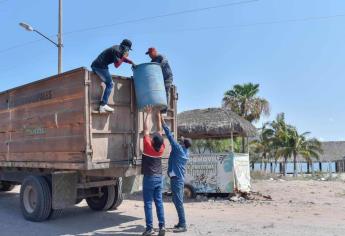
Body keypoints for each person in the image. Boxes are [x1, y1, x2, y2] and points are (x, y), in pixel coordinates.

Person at [161, 115, 192, 233]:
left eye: (182, 141)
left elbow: (170, 136)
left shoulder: (179, 149)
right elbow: (182, 143)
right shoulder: (184, 151)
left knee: (178, 202)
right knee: (176, 200)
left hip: (177, 180)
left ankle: (183, 224)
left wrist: (163, 123)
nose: (180, 140)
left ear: (183, 144)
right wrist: (183, 139)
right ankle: (180, 222)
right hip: (177, 179)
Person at [91, 39, 135, 113]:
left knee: (108, 83)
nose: (128, 51)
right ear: (126, 47)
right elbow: (117, 65)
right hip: (100, 66)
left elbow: (121, 59)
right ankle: (103, 105)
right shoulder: (117, 50)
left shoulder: (118, 48)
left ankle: (103, 105)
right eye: (128, 49)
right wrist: (124, 57)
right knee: (110, 84)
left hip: (96, 65)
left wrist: (131, 62)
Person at [141, 106, 166, 236]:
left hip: (149, 178)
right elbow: (160, 131)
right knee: (159, 202)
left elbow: (145, 129)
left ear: (152, 140)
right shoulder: (161, 148)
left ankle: (149, 228)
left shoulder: (148, 146)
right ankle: (162, 226)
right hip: (159, 178)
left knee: (148, 204)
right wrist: (158, 115)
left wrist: (147, 114)